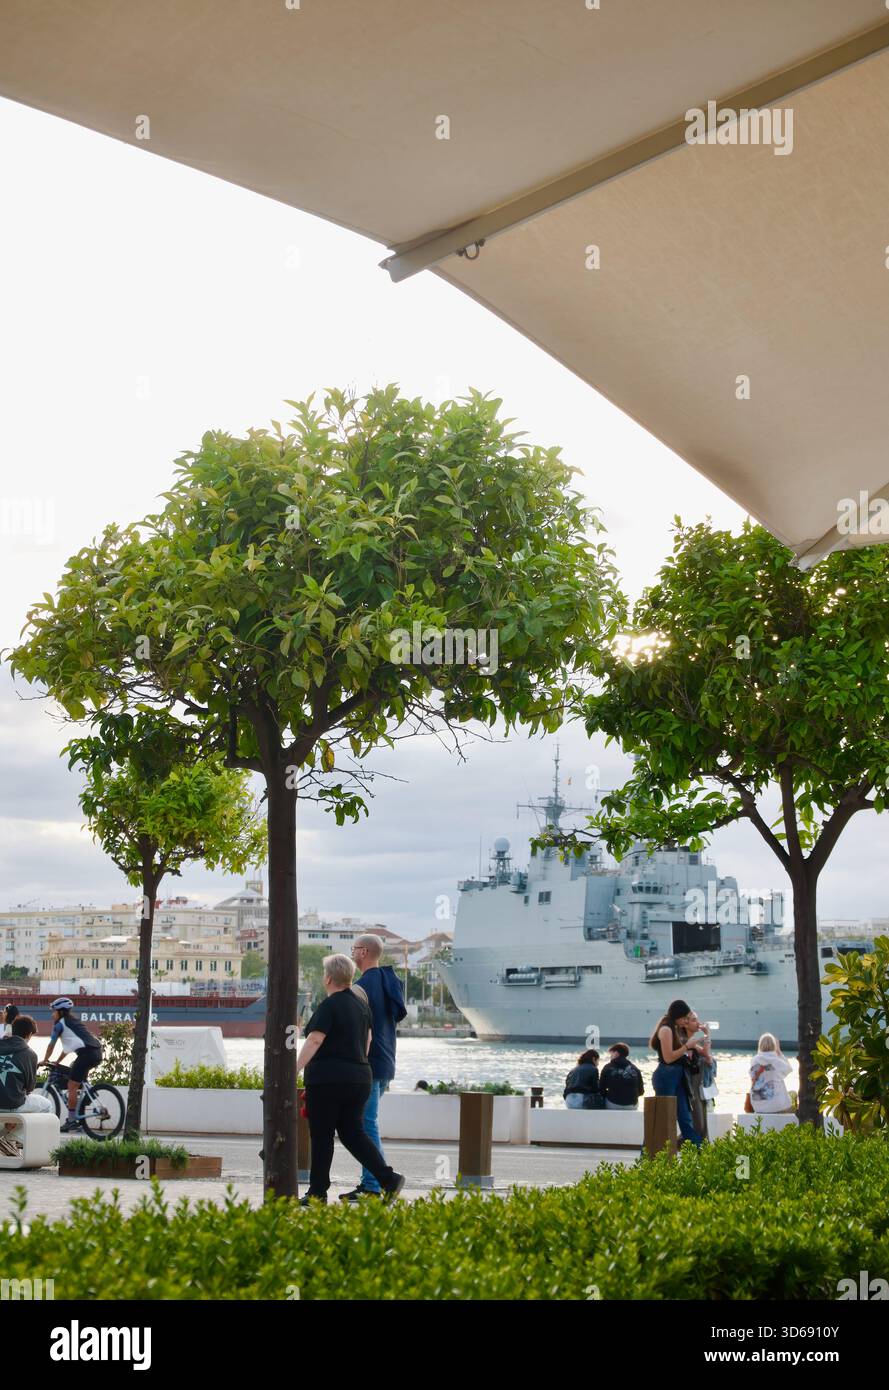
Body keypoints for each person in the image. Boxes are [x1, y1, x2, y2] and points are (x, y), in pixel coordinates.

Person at [296, 953, 405, 1205]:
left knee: (322, 1136)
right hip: (359, 1078)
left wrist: (295, 1069)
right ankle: (388, 1179)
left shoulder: (329, 1006)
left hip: (327, 1081)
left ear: (328, 978)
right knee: (352, 1133)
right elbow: (367, 1042)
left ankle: (317, 1193)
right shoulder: (361, 1006)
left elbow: (314, 1040)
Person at [341, 933, 407, 1201]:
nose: (352, 954)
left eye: (354, 949)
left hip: (369, 1063)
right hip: (387, 1060)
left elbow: (360, 1030)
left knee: (365, 1125)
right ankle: (372, 1183)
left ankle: (373, 1184)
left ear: (364, 952)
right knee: (366, 1123)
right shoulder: (390, 981)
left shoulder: (362, 987)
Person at [39, 996, 103, 1132]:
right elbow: (68, 1047)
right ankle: (88, 1097)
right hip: (96, 1052)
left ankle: (72, 1120)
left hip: (86, 1054)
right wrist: (57, 1061)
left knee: (71, 1085)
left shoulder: (60, 1025)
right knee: (78, 1078)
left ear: (61, 1012)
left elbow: (51, 1045)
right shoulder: (73, 1022)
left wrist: (45, 1060)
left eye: (54, 1011)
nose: (52, 1014)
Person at [650, 999, 702, 1147]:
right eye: (685, 1018)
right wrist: (687, 1046)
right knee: (662, 1117)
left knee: (685, 1116)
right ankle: (646, 1156)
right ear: (678, 1015)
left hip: (678, 1075)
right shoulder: (666, 1029)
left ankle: (700, 1152)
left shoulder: (674, 1028)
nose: (686, 1021)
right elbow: (668, 1057)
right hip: (666, 1075)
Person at [0, 1015, 54, 1113]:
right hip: (12, 1105)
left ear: (13, 1030)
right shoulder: (30, 1054)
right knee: (47, 1105)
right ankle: (16, 1125)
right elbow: (29, 1088)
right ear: (29, 1034)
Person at [679, 1012, 713, 1140]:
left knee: (700, 1125)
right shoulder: (684, 1042)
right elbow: (706, 1056)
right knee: (697, 1125)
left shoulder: (690, 1042)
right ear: (685, 1024)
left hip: (696, 1088)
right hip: (690, 1089)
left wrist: (707, 1035)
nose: (698, 1023)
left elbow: (705, 1053)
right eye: (694, 1020)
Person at [749, 1033, 794, 1113]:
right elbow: (789, 1069)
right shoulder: (776, 1061)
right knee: (793, 1095)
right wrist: (779, 1052)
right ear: (774, 1046)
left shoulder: (754, 1061)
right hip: (776, 1106)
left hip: (757, 1106)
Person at [599, 1042, 645, 1110]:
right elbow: (641, 1091)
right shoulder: (635, 1069)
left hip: (613, 1103)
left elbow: (601, 1088)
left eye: (611, 1053)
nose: (610, 1056)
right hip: (631, 1105)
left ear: (616, 1053)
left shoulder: (608, 1067)